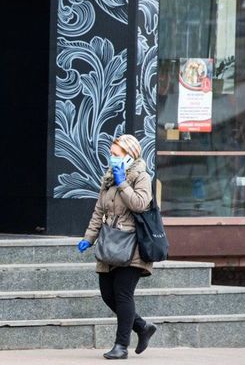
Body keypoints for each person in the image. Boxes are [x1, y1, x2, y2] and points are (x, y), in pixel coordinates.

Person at [77, 134, 158, 360]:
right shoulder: (109, 177)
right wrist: (89, 237)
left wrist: (123, 182)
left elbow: (140, 204)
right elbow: (99, 211)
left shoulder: (141, 177)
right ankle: (142, 327)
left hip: (132, 246)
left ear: (130, 155)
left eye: (116, 154)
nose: (112, 158)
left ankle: (121, 346)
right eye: (111, 154)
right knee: (107, 294)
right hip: (109, 243)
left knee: (123, 294)